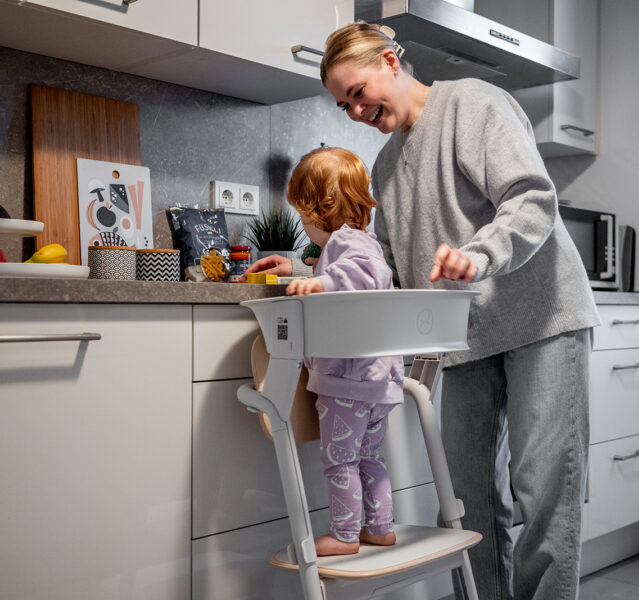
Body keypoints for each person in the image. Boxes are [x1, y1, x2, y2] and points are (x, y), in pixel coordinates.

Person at [248, 21, 600, 600]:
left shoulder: (472, 104)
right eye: (343, 105)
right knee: (469, 500)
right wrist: (306, 270)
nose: (355, 112)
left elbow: (532, 196)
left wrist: (480, 255)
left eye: (358, 92)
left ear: (391, 60)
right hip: (465, 335)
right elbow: (379, 263)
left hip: (542, 318)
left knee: (542, 494)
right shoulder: (385, 166)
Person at [282, 146, 405, 557]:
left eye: (304, 219)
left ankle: (345, 535)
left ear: (322, 209)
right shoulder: (358, 242)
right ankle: (381, 528)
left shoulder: (346, 244)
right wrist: (304, 272)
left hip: (347, 382)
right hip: (374, 381)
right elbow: (355, 271)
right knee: (370, 459)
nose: (306, 230)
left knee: (340, 461)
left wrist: (320, 283)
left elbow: (367, 274)